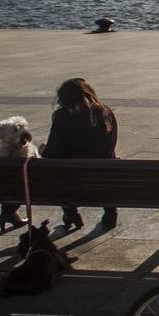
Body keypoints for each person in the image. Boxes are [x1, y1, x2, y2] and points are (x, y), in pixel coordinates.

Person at [42, 77, 119, 231]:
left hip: (73, 182)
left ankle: (70, 212)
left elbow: (53, 153)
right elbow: (109, 147)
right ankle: (110, 211)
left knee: (54, 170)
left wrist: (43, 149)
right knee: (109, 162)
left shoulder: (62, 116)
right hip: (104, 179)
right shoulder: (106, 113)